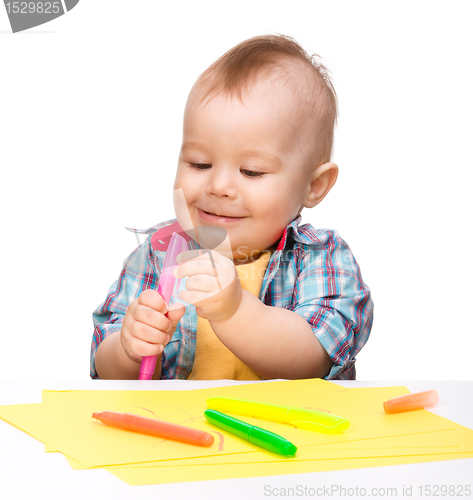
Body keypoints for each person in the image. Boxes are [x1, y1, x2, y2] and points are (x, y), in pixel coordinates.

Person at [91, 34, 373, 381]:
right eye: (199, 163)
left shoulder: (320, 258)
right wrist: (127, 349)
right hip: (178, 431)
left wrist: (235, 310)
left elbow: (315, 357)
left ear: (313, 186)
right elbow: (103, 370)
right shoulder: (156, 255)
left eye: (251, 171)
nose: (219, 187)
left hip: (288, 433)